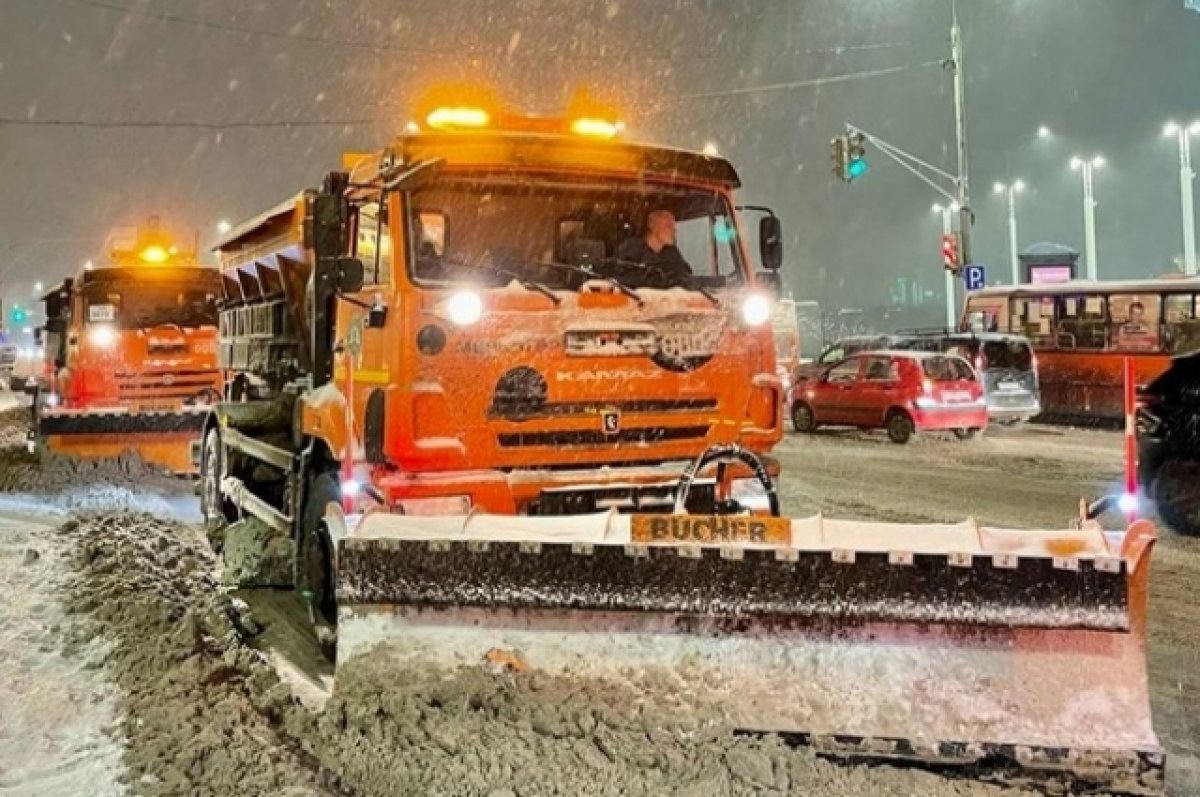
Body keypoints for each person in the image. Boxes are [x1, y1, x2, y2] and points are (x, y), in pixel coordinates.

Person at [615, 209, 693, 285]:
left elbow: (685, 276)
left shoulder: (671, 252)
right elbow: (622, 278)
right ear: (654, 227)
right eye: (669, 225)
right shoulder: (631, 249)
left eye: (674, 226)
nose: (675, 230)